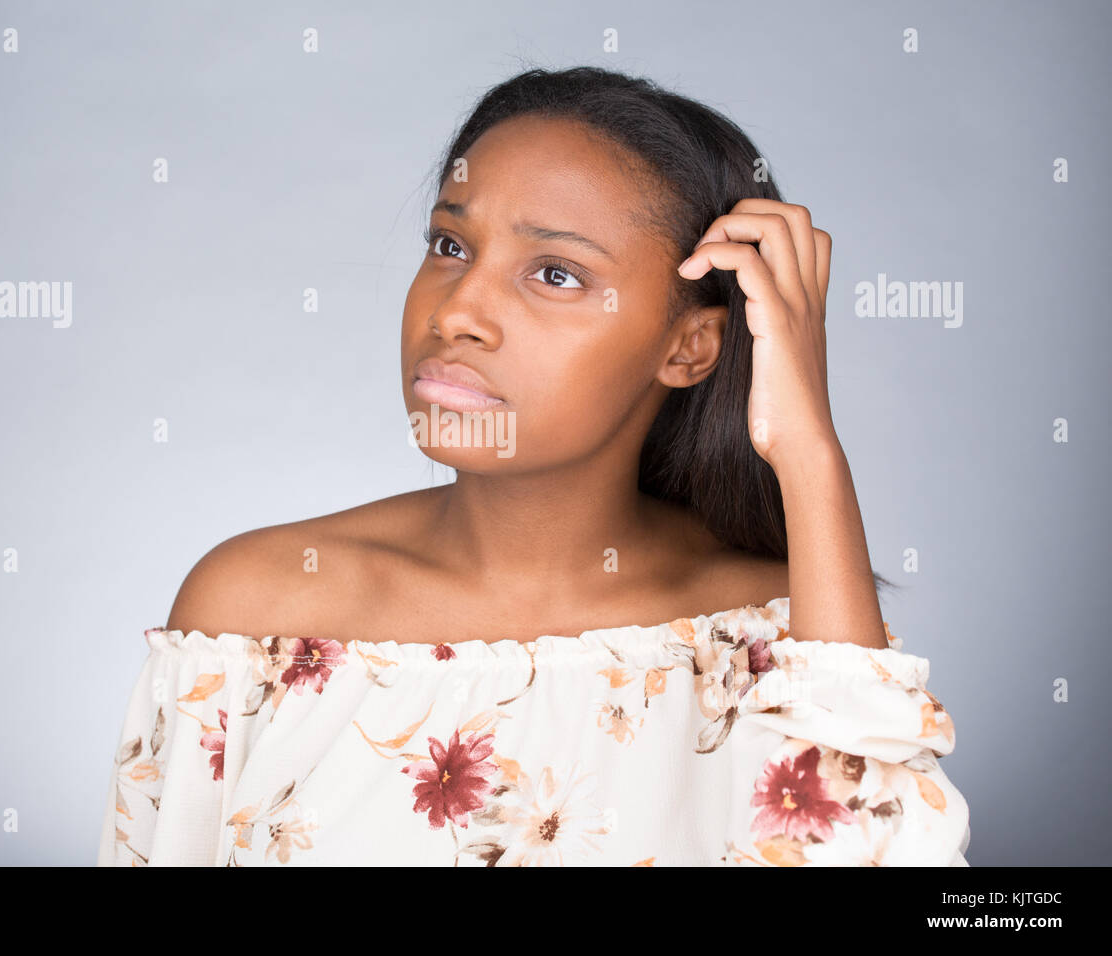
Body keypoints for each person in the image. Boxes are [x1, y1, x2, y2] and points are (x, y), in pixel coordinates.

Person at [96, 66, 970, 866]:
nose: (460, 312)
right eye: (450, 246)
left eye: (554, 273)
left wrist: (810, 447)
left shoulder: (785, 643)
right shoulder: (252, 622)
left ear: (690, 345)